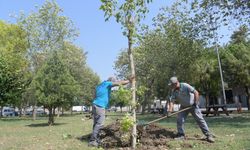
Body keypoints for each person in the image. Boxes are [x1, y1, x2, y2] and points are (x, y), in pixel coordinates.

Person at [88, 76, 134, 147]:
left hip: (95, 104)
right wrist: (129, 81)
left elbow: (94, 96)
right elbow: (119, 83)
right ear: (111, 81)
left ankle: (94, 139)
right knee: (100, 124)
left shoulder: (100, 85)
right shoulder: (108, 83)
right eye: (113, 82)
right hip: (100, 105)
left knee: (96, 123)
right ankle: (93, 141)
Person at [168, 76, 215, 143]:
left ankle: (208, 135)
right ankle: (181, 135)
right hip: (183, 107)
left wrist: (195, 103)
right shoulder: (174, 91)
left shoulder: (185, 85)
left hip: (193, 106)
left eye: (172, 85)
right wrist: (169, 111)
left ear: (175, 83)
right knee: (179, 119)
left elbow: (196, 92)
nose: (171, 86)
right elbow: (172, 101)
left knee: (199, 119)